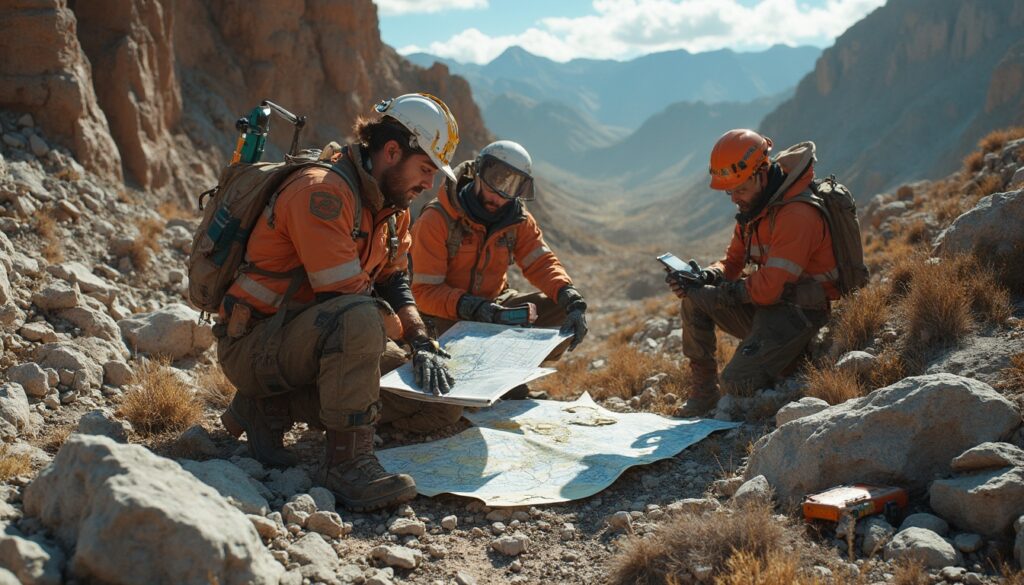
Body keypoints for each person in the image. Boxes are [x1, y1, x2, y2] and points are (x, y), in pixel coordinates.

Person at [214, 93, 460, 512]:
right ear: (392, 151)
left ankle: (271, 408)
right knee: (362, 318)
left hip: (312, 341)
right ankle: (346, 463)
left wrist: (422, 341)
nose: (429, 186)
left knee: (441, 405)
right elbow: (347, 298)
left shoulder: (393, 207)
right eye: (425, 169)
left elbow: (393, 278)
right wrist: (398, 336)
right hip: (254, 345)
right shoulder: (321, 193)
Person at [669, 129, 839, 417]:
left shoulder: (796, 215)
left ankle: (796, 359)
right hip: (769, 307)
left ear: (762, 173)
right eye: (729, 191)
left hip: (799, 314)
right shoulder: (756, 208)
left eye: (740, 189)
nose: (735, 198)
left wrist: (721, 294)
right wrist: (706, 277)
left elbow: (770, 287)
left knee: (737, 383)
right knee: (694, 298)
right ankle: (703, 395)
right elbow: (732, 262)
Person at [410, 140, 588, 406]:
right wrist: (474, 308)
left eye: (511, 188)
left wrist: (570, 297)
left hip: (494, 308)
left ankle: (507, 379)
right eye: (495, 181)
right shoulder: (437, 219)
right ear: (479, 171)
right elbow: (423, 293)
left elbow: (541, 263)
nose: (499, 196)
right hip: (443, 317)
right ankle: (480, 382)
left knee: (559, 310)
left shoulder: (517, 221)